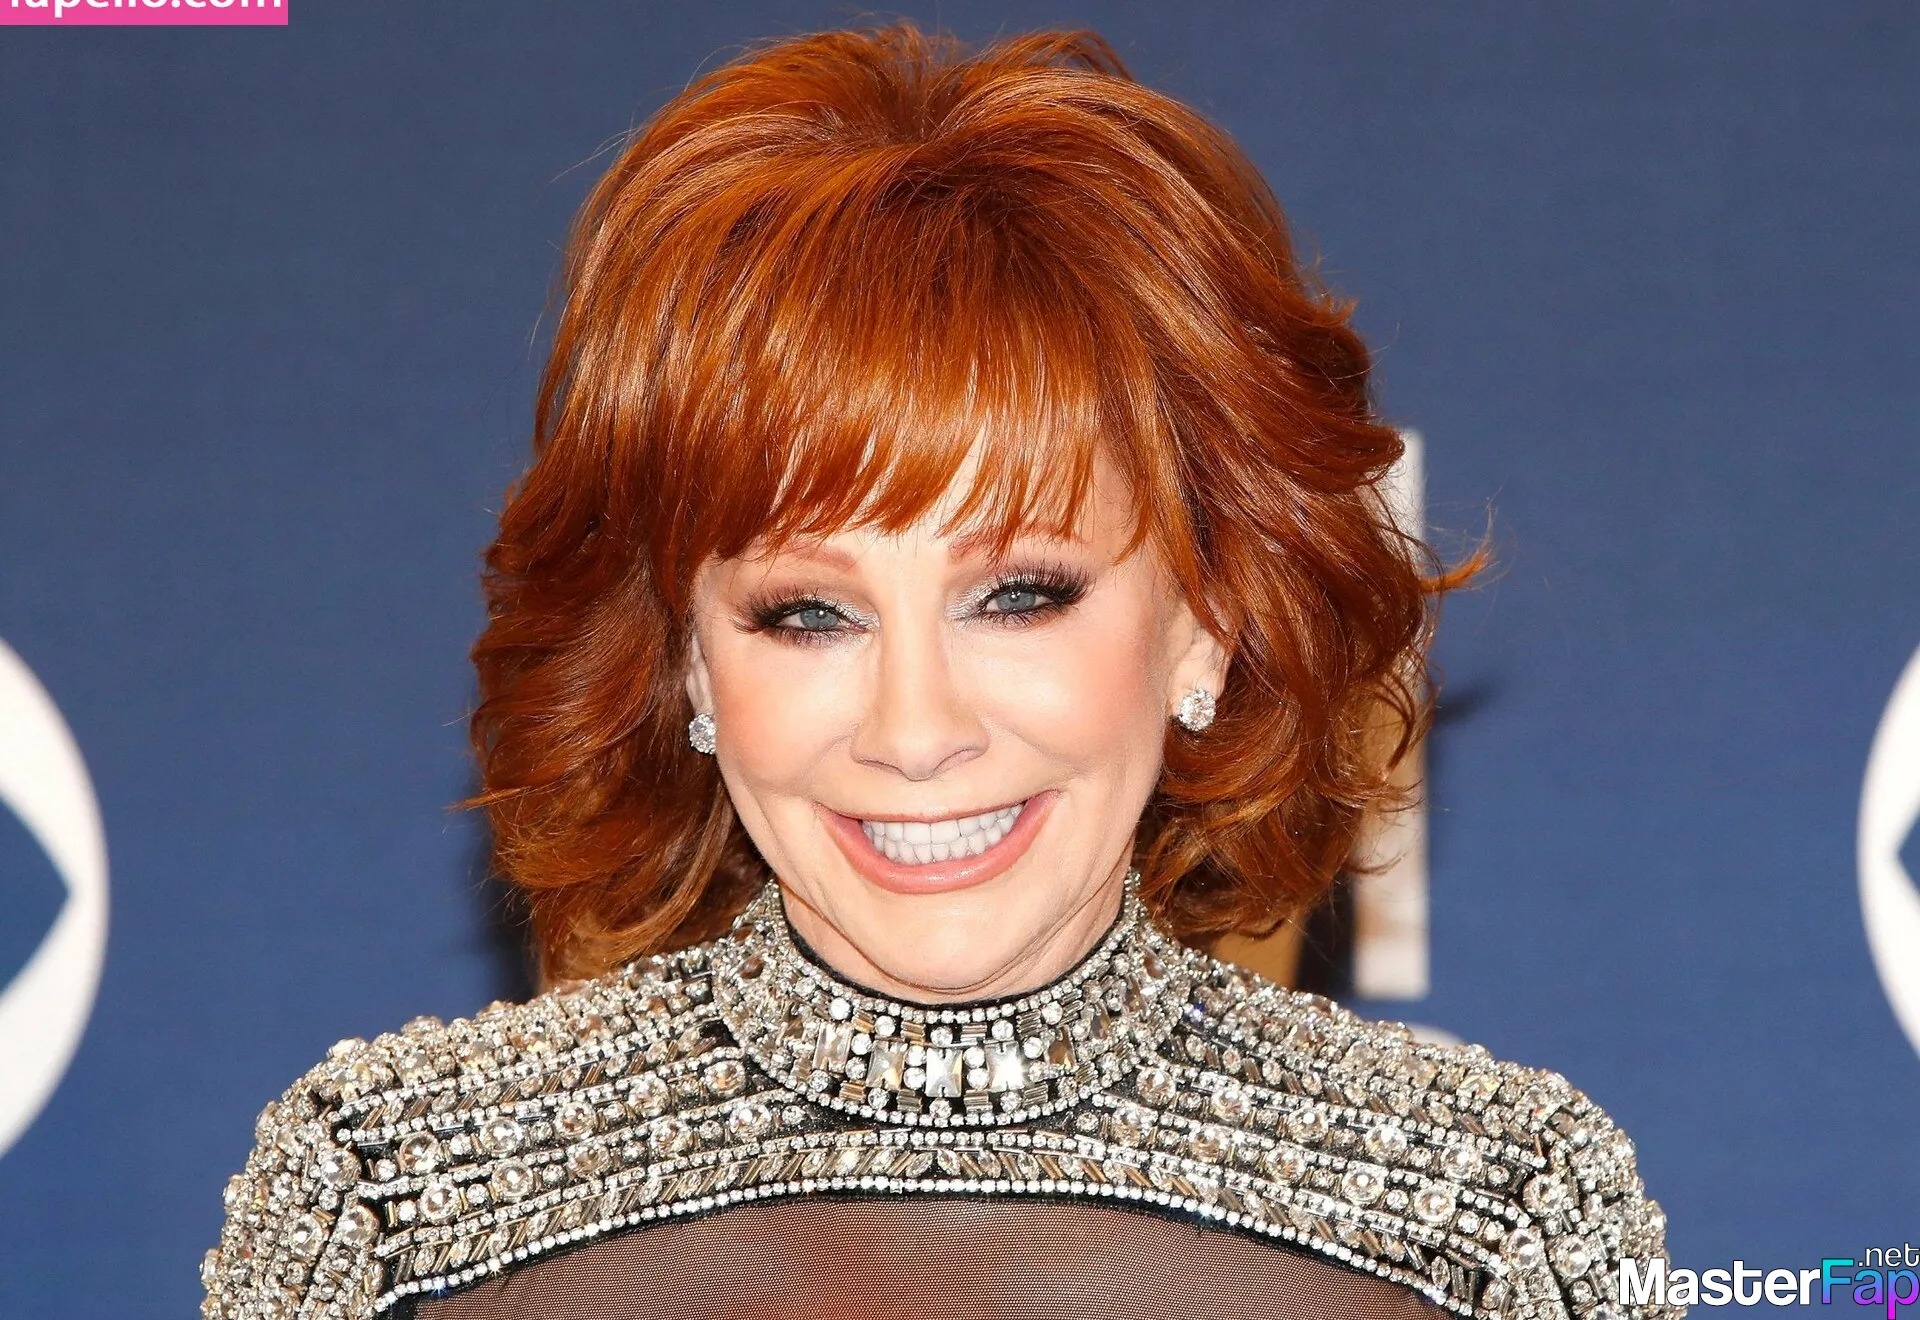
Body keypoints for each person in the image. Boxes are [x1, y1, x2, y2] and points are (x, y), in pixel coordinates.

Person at [202, 22, 1673, 1320]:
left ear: (1205, 622)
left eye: (1017, 597)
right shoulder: (395, 1206)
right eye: (806, 615)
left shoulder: (1489, 1221)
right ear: (687, 661)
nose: (915, 731)